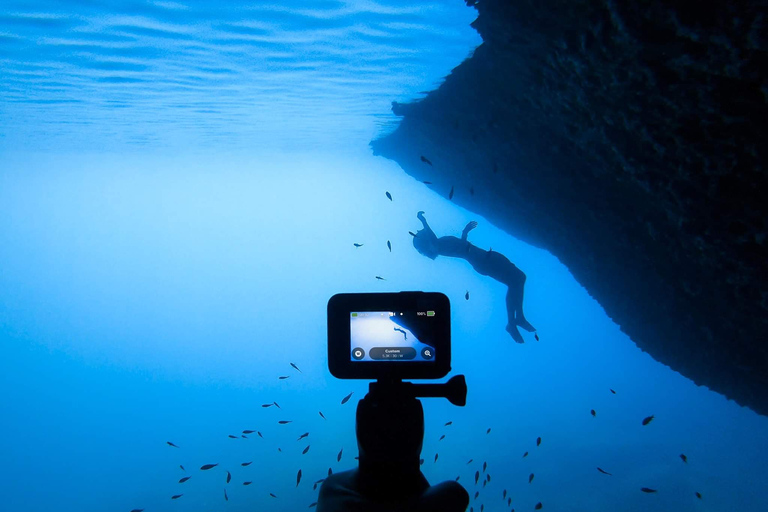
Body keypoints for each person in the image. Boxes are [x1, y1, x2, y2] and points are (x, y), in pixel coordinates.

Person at [412, 211, 535, 343]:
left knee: (518, 280)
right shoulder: (438, 245)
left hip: (485, 259)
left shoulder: (441, 244)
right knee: (517, 280)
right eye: (420, 232)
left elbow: (461, 247)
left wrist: (465, 232)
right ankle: (513, 322)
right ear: (424, 240)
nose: (420, 230)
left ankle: (517, 318)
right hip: (484, 261)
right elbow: (438, 242)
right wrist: (423, 221)